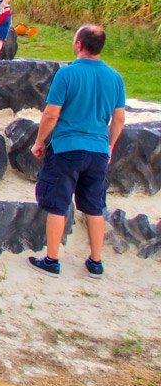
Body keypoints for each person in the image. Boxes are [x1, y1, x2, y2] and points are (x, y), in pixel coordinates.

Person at [28, 24, 126, 279]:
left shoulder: (67, 74)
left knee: (58, 205)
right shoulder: (115, 78)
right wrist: (110, 145)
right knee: (95, 207)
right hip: (98, 150)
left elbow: (51, 114)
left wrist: (40, 141)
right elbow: (118, 119)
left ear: (79, 45)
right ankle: (95, 262)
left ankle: (52, 260)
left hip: (67, 149)